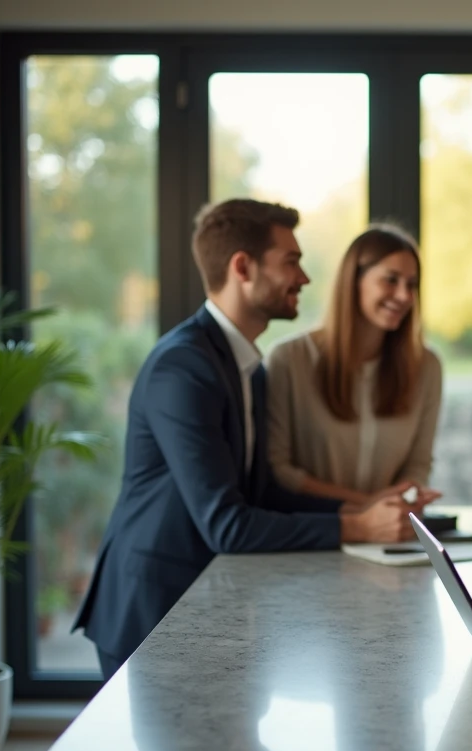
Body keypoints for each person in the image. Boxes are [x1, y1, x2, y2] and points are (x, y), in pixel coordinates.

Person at [73, 199, 411, 681]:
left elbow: (261, 495)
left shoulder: (246, 366)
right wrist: (360, 529)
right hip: (152, 612)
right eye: (291, 261)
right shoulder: (183, 367)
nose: (305, 278)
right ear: (242, 267)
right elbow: (228, 525)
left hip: (208, 603)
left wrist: (360, 511)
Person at [264, 223, 442, 507]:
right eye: (391, 280)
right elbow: (279, 470)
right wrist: (367, 505)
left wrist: (399, 501)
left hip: (390, 538)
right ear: (353, 280)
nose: (404, 296)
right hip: (313, 531)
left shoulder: (427, 367)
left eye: (412, 284)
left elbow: (418, 464)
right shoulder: (289, 360)